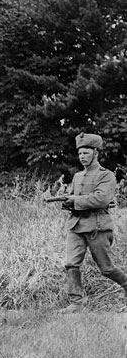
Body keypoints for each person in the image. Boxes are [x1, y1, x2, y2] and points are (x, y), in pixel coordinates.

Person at [58, 132, 127, 313]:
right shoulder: (78, 176)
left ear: (96, 153)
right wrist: (67, 202)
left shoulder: (107, 176)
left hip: (97, 226)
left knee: (107, 268)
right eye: (80, 154)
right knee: (71, 264)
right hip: (76, 225)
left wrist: (75, 200)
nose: (82, 157)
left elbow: (101, 199)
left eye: (86, 153)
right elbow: (74, 199)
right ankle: (76, 303)